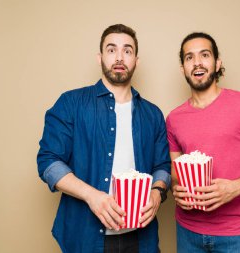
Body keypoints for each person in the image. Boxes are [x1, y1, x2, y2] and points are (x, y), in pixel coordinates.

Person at [37, 24, 170, 253]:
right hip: (85, 238)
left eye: (127, 51)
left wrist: (157, 192)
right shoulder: (70, 103)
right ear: (100, 58)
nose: (119, 57)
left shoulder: (153, 114)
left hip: (141, 240)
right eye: (111, 50)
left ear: (136, 60)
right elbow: (48, 162)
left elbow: (162, 166)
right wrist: (92, 196)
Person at [166, 32, 240, 253]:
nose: (197, 62)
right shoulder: (173, 119)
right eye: (189, 57)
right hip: (187, 230)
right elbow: (175, 168)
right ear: (183, 68)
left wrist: (236, 187)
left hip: (234, 233)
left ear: (217, 63)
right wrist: (175, 187)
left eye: (205, 55)